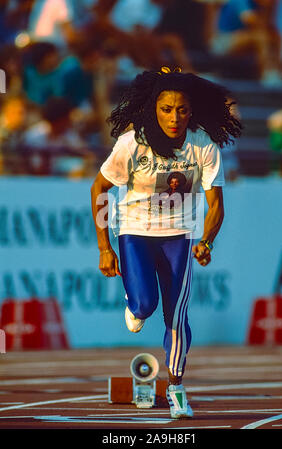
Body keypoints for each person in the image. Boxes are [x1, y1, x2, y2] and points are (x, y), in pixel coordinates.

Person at [90, 67, 242, 418]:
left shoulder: (202, 144)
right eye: (166, 109)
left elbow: (216, 202)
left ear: (192, 111)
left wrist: (207, 240)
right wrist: (104, 246)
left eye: (182, 110)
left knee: (177, 315)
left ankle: (176, 389)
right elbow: (100, 189)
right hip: (136, 232)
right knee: (144, 307)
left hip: (180, 236)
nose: (174, 118)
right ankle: (135, 304)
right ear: (152, 109)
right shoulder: (132, 143)